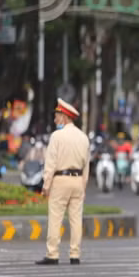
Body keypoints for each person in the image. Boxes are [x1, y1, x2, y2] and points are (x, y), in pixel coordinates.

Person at [36, 99, 90, 266]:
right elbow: (86, 165)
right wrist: (83, 185)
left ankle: (52, 254)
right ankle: (75, 255)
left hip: (60, 180)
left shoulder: (57, 136)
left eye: (57, 116)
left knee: (55, 218)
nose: (55, 120)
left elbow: (50, 163)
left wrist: (46, 185)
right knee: (76, 219)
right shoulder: (83, 137)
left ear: (65, 117)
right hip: (78, 181)